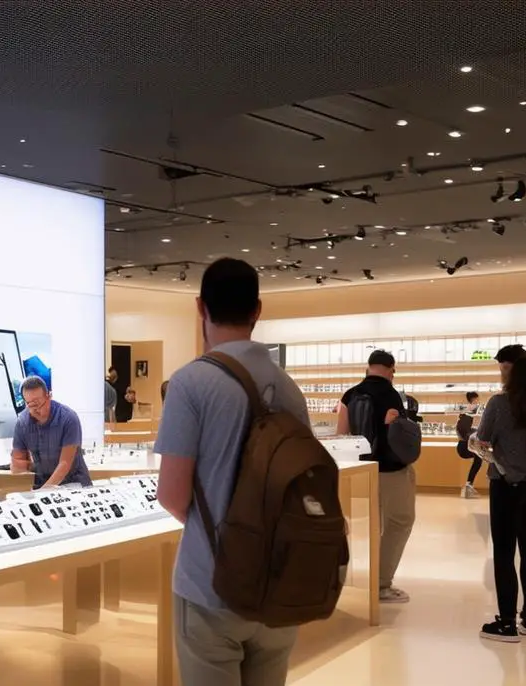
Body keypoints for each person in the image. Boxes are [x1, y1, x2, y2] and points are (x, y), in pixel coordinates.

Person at [155, 258, 311, 685]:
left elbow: (172, 494)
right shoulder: (288, 388)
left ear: (200, 307)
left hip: (211, 581)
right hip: (278, 582)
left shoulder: (191, 383)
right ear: (257, 310)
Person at [475, 356, 526, 642]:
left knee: (503, 551)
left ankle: (507, 622)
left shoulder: (499, 403)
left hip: (506, 482)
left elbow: (484, 438)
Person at [337, 349, 413, 604]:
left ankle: (355, 580)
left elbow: (341, 436)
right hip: (391, 469)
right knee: (400, 521)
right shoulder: (392, 395)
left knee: (369, 525)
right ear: (391, 369)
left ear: (368, 367)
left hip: (360, 470)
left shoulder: (350, 395)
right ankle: (381, 584)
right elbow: (399, 437)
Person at [11, 376, 93, 489]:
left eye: (38, 403)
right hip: (42, 483)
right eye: (30, 404)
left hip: (74, 483)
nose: (35, 409)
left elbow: (65, 463)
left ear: (48, 396)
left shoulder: (68, 418)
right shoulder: (23, 422)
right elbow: (18, 461)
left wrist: (43, 492)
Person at [459, 391, 483, 499]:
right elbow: (464, 430)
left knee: (479, 459)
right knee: (480, 458)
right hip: (464, 445)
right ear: (473, 399)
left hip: (463, 445)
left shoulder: (465, 413)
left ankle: (469, 486)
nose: (478, 402)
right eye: (477, 400)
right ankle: (469, 486)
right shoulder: (470, 411)